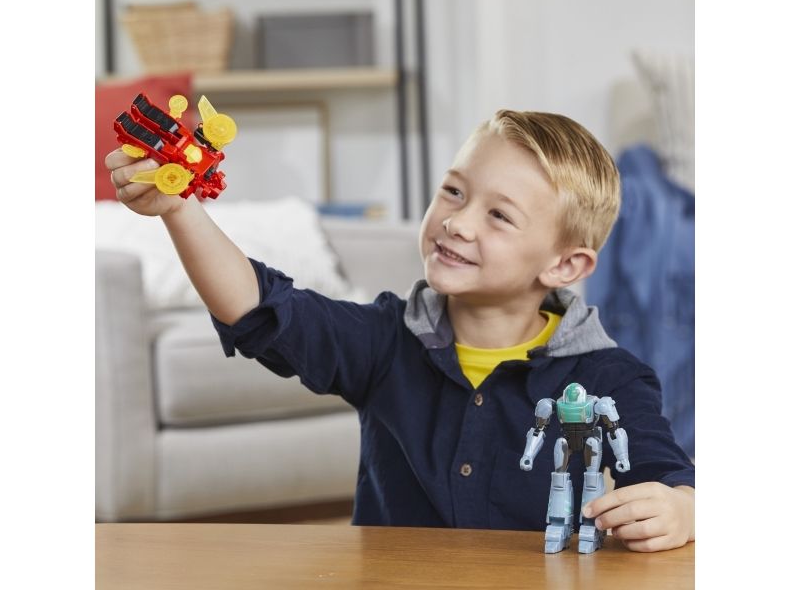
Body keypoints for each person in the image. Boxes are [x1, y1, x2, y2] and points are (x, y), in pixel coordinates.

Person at [105, 109, 694, 553]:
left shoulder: (611, 376)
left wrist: (682, 510)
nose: (457, 222)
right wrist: (180, 210)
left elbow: (671, 480)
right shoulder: (386, 339)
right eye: (454, 192)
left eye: (498, 215)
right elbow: (260, 309)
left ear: (565, 266)